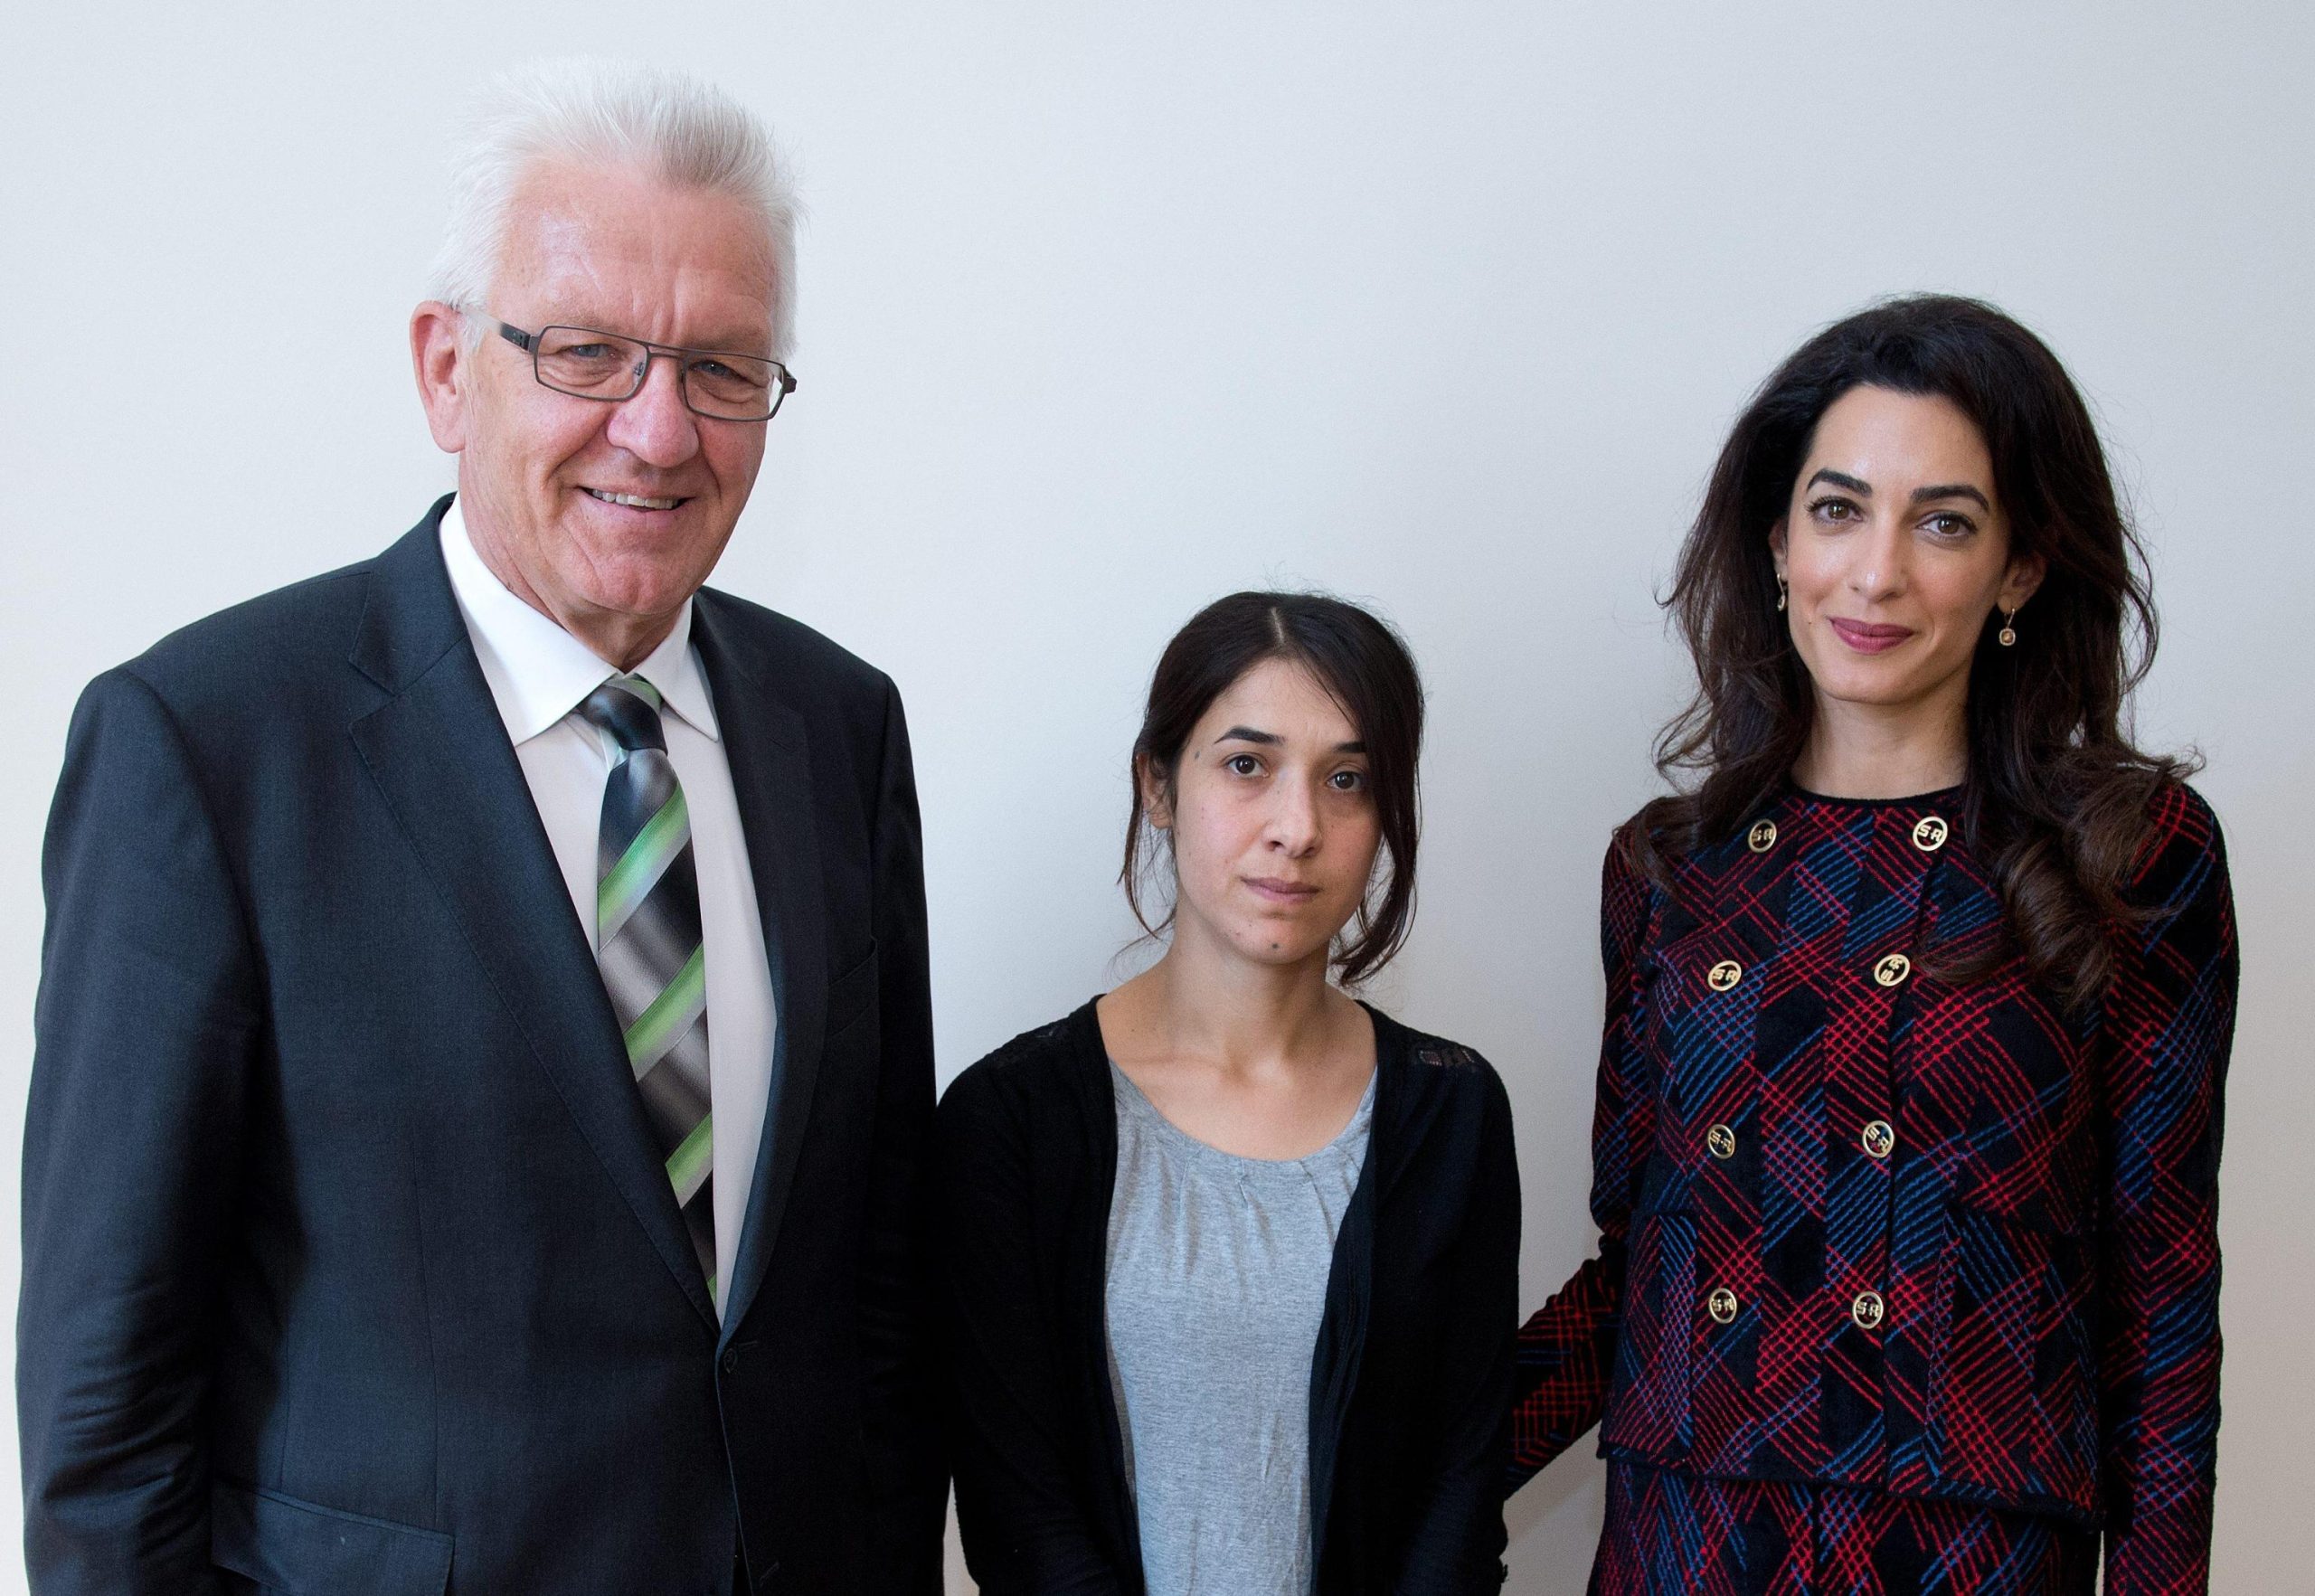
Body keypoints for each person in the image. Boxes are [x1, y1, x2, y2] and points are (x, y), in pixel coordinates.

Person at [19, 61, 942, 1595]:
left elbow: (880, 1291)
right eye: (587, 353)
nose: (659, 431)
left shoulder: (838, 728)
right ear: (448, 370)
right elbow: (108, 1407)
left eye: (721, 368)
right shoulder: (207, 747)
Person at [1507, 296, 2236, 1593]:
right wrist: (1376, 1469)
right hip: (1686, 1550)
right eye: (1838, 509)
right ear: (1777, 539)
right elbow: (1637, 1273)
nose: (1876, 571)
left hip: (1968, 1558)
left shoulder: (2129, 852)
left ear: (2021, 567)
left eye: (1942, 521)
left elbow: (2162, 1301)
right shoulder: (1669, 870)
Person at [940, 592, 1520, 1596]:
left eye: (1347, 779)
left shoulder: (1451, 1111)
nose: (1297, 828)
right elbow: (1017, 1509)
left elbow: (1460, 1490)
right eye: (1247, 765)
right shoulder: (1011, 1119)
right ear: (1157, 783)